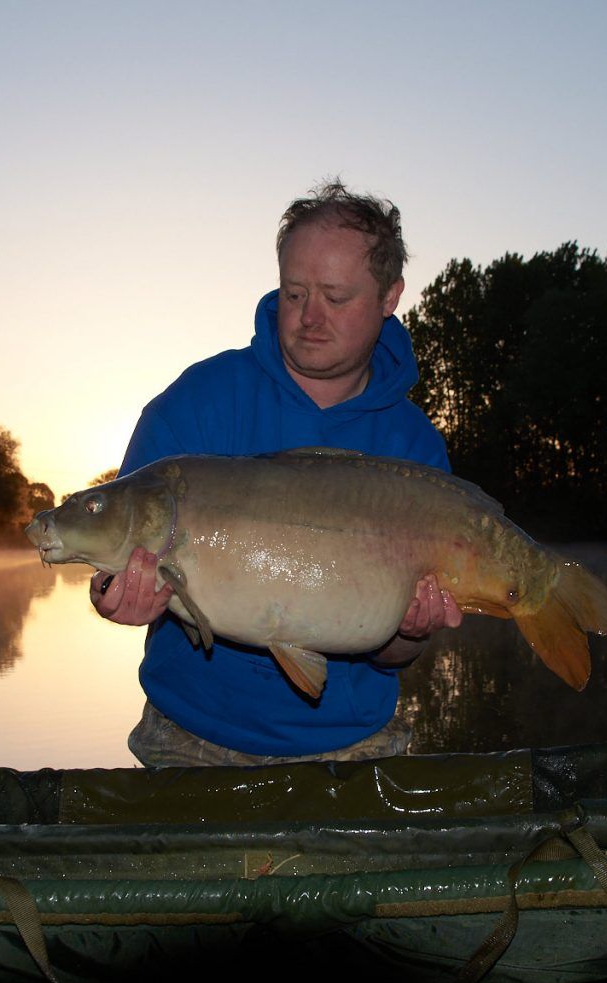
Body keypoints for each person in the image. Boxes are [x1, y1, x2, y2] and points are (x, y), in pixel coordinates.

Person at [90, 180, 463, 767]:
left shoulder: (413, 451)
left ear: (390, 297)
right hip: (189, 740)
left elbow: (391, 654)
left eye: (336, 298)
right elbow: (113, 543)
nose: (310, 318)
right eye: (294, 294)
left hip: (352, 746)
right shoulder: (196, 403)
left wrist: (412, 632)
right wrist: (111, 594)